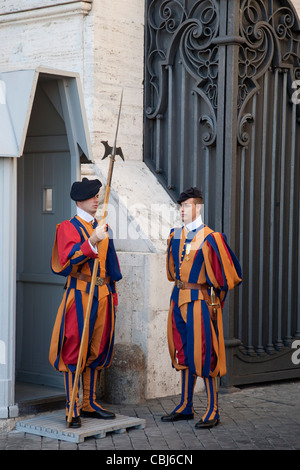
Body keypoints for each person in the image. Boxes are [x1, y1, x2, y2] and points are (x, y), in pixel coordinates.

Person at [162, 187, 242, 429]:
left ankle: (213, 409)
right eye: (180, 206)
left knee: (205, 354)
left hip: (200, 301)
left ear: (198, 208)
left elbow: (229, 275)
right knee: (184, 352)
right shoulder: (175, 234)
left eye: (186, 206)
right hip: (178, 298)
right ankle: (186, 405)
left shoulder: (211, 237)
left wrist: (215, 301)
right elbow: (171, 271)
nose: (182, 210)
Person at [49, 177, 122, 428]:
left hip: (102, 294)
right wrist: (91, 241)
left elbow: (110, 265)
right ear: (80, 200)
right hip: (80, 293)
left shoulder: (101, 226)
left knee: (97, 348)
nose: (97, 199)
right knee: (74, 350)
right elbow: (67, 263)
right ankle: (72, 407)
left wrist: (112, 294)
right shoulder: (67, 228)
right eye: (92, 195)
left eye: (97, 194)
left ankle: (89, 402)